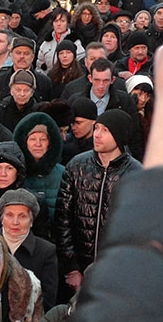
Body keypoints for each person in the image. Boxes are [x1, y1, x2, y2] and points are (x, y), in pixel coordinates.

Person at [54, 108, 141, 291]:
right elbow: (63, 220)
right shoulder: (76, 166)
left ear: (119, 135)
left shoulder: (137, 175)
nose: (97, 135)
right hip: (77, 273)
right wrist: (71, 269)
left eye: (105, 130)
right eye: (97, 128)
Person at [0, 187, 58, 310]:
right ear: (2, 219)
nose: (15, 222)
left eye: (22, 216)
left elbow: (47, 300)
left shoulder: (46, 251)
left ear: (31, 221)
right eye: (9, 215)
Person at [14, 111, 65, 234]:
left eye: (43, 139)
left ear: (50, 143)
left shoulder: (63, 173)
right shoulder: (15, 172)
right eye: (32, 139)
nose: (38, 144)